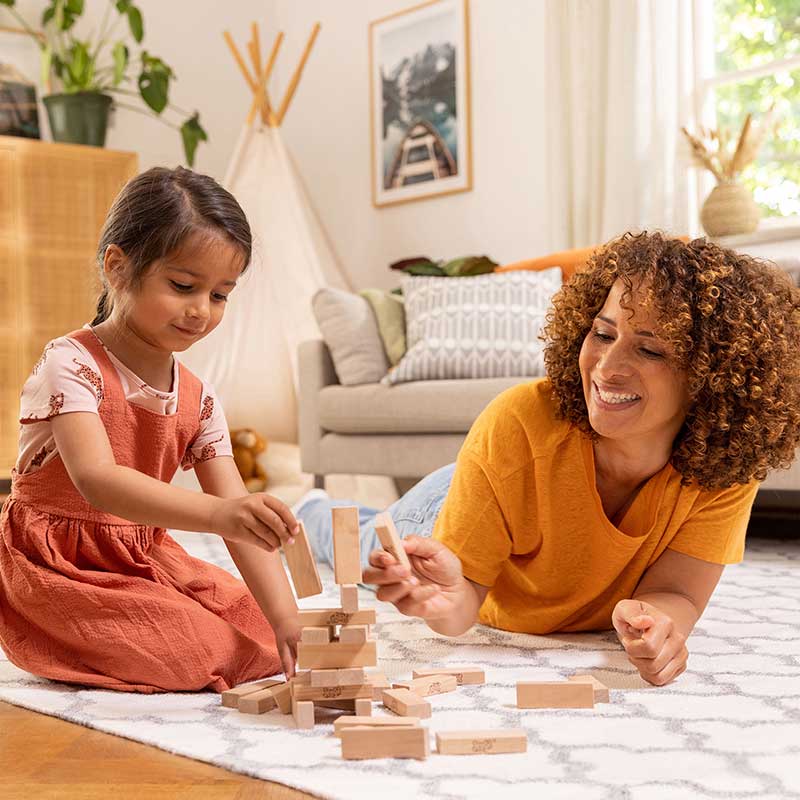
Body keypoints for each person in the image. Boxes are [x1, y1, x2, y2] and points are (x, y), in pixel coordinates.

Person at [298, 232, 800, 686]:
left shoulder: (723, 464)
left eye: (649, 351)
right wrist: (445, 600)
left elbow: (678, 593)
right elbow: (458, 599)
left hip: (509, 484)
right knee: (369, 549)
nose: (607, 366)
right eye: (603, 334)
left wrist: (659, 625)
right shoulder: (518, 422)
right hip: (455, 498)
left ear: (711, 377)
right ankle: (309, 509)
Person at [0, 167, 302, 693]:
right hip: (59, 563)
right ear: (117, 267)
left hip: (141, 556)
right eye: (183, 286)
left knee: (253, 629)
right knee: (191, 652)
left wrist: (287, 620)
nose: (201, 311)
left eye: (220, 295)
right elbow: (98, 479)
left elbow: (237, 517)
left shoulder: (199, 397)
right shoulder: (70, 363)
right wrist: (219, 514)